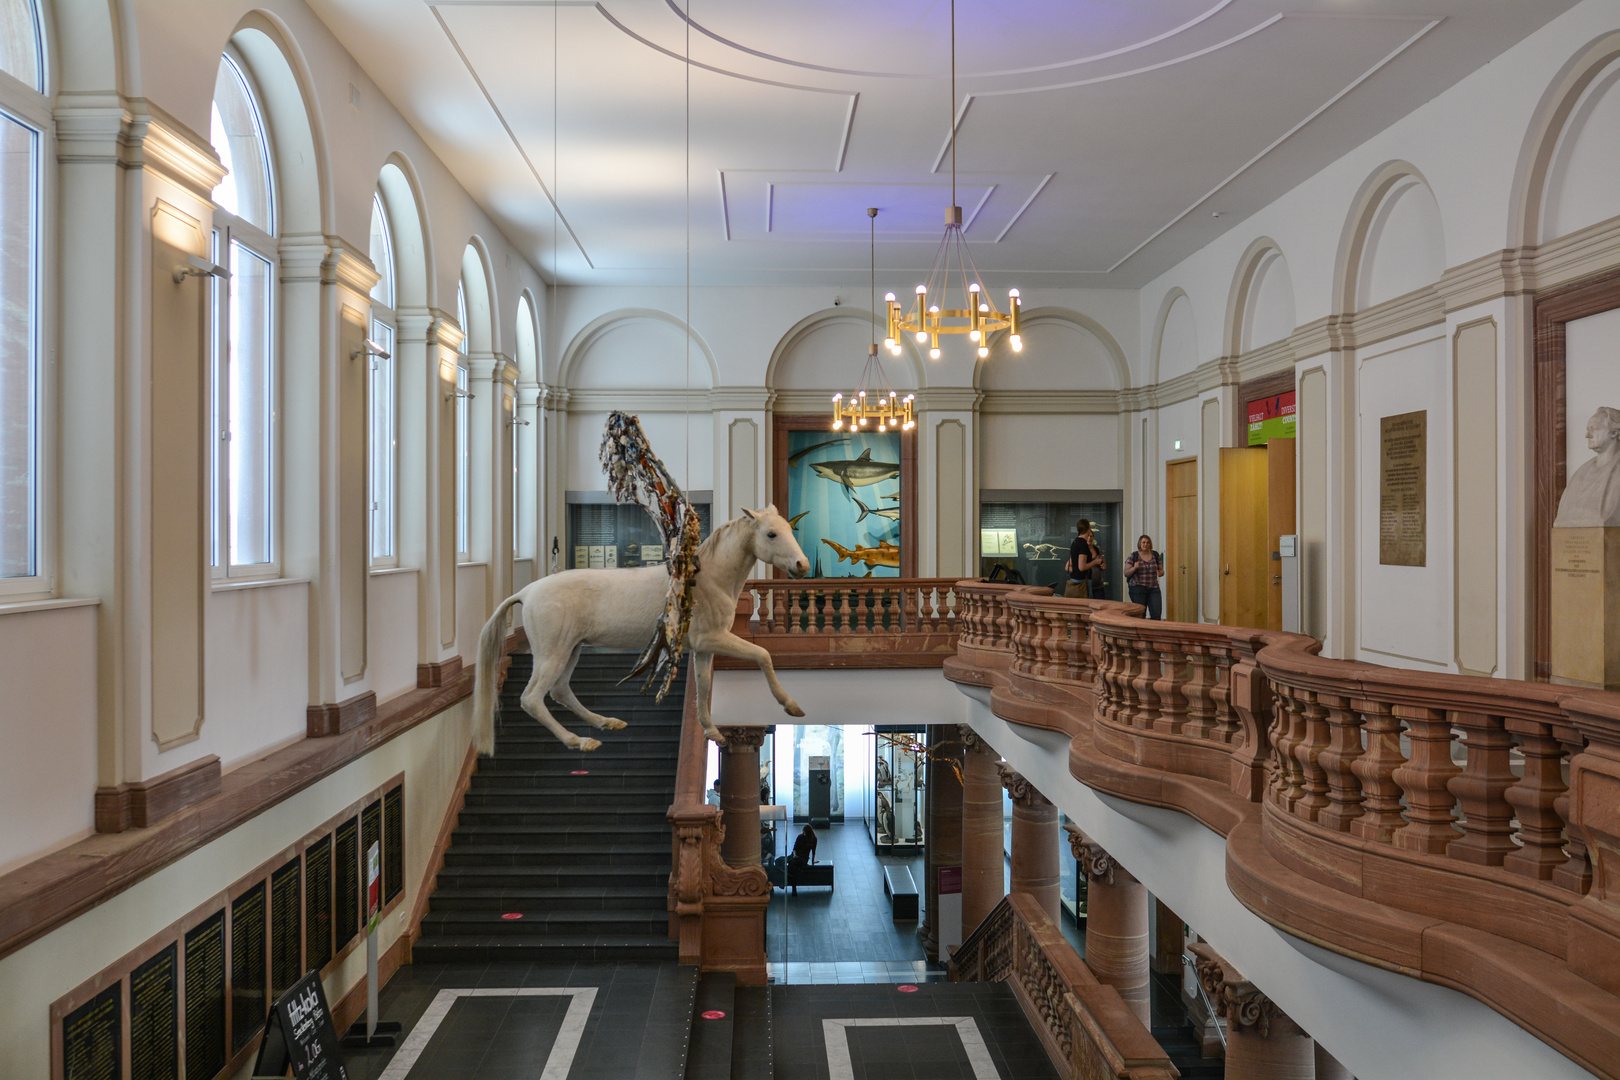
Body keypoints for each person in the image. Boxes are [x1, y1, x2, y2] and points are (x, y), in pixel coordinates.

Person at [1125, 534, 1164, 620]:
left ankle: (1154, 632)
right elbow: (1126, 573)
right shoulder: (1133, 556)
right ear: (1140, 543)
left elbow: (1161, 570)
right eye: (1143, 542)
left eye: (1147, 542)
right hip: (1138, 588)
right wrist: (1134, 568)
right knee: (1140, 614)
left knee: (1156, 613)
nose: (1145, 544)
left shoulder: (1155, 555)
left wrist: (1161, 572)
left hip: (1153, 587)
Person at [1065, 519, 1104, 598]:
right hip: (1081, 582)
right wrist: (1095, 562)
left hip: (1074, 579)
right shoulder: (1083, 544)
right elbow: (1082, 567)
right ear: (1089, 528)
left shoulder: (1075, 542)